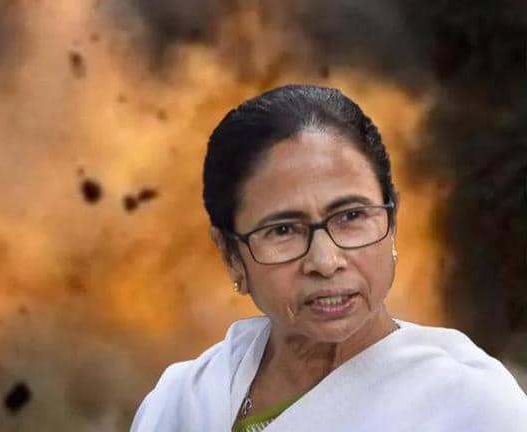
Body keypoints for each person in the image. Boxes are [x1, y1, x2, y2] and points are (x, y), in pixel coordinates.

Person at [130, 84, 527, 431]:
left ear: (391, 221)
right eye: (283, 230)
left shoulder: (469, 406)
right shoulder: (182, 400)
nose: (325, 261)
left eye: (352, 216)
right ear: (231, 254)